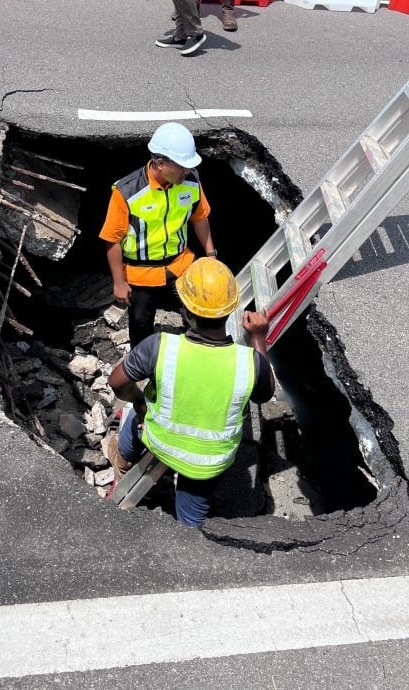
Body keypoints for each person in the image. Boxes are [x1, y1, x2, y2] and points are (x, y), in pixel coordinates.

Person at [108, 258, 275, 527]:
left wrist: (139, 401)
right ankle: (191, 540)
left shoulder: (160, 346)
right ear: (232, 309)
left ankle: (124, 463)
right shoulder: (250, 362)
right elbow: (264, 395)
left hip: (159, 440)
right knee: (192, 519)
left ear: (185, 309)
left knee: (132, 418)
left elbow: (116, 382)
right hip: (210, 461)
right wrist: (258, 339)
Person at [99, 122, 216, 349]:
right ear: (160, 163)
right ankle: (142, 372)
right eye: (182, 166)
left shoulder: (191, 181)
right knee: (140, 324)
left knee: (200, 315)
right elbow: (112, 239)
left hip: (180, 264)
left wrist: (211, 254)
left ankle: (196, 357)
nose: (187, 171)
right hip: (141, 272)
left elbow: (200, 217)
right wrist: (119, 283)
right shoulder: (127, 192)